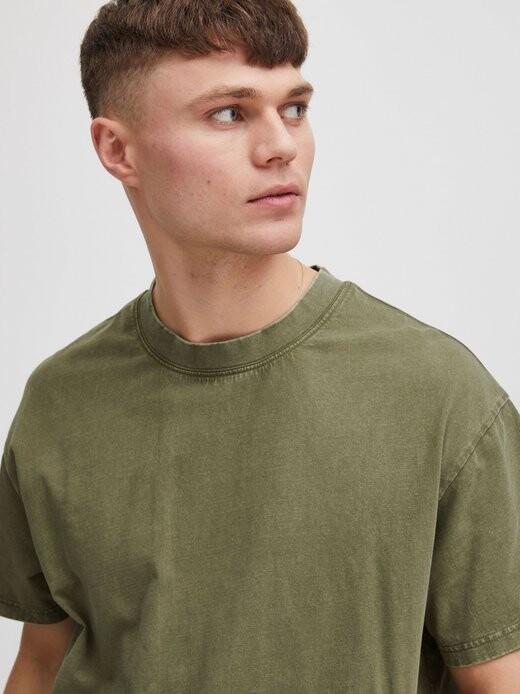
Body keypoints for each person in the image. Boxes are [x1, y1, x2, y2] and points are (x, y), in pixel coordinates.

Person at [1, 1, 519, 692]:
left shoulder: (438, 394)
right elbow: (42, 661)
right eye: (229, 113)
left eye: (295, 108)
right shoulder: (62, 400)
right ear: (118, 150)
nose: (281, 146)